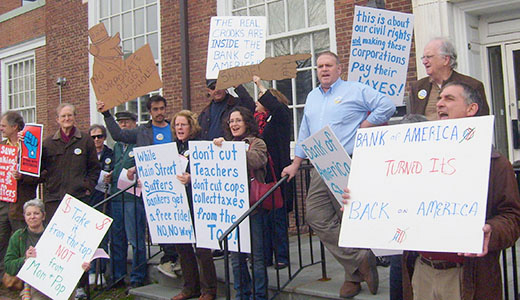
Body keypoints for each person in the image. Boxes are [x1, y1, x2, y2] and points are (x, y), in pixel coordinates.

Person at [281, 51, 396, 298]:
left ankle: (352, 278)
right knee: (315, 215)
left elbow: (386, 105)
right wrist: (295, 163)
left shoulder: (354, 90)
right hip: (321, 163)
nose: (323, 69)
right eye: (320, 66)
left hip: (350, 161)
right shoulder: (312, 97)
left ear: (339, 68)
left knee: (349, 219)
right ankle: (360, 259)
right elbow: (304, 132)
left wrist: (367, 124)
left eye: (328, 65)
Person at [401, 82, 520, 300]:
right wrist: (360, 200)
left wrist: (492, 231)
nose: (440, 104)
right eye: (439, 99)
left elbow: (512, 217)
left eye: (449, 99)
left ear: (471, 109)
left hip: (466, 275)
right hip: (422, 271)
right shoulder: (418, 158)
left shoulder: (496, 164)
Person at [98, 96, 180, 279]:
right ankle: (168, 258)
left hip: (175, 183)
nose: (159, 113)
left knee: (176, 222)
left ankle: (176, 257)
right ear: (149, 112)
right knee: (158, 224)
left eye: (162, 108)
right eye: (155, 109)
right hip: (151, 187)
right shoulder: (142, 131)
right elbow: (118, 135)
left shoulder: (174, 128)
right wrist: (106, 114)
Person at [213, 106, 268, 300]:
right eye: (231, 121)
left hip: (252, 208)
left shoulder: (257, 143)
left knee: (257, 257)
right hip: (232, 208)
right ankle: (242, 294)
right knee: (236, 258)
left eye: (238, 120)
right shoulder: (223, 144)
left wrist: (230, 149)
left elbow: (257, 161)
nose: (234, 124)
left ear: (246, 122)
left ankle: (259, 295)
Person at [170, 110, 217, 300]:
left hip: (198, 203)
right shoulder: (172, 148)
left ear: (191, 126)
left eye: (183, 124)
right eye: (177, 125)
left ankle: (209, 290)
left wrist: (193, 177)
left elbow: (210, 172)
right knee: (182, 247)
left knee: (202, 248)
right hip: (178, 205)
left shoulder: (200, 146)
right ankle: (190, 287)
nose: (180, 128)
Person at [4, 199, 91, 300]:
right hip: (34, 285)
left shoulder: (57, 234)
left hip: (60, 283)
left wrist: (81, 266)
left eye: (36, 213)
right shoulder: (18, 236)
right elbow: (8, 266)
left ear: (43, 216)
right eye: (28, 214)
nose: (32, 217)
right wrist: (25, 259)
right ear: (24, 217)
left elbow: (70, 258)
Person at [252, 76, 291, 270]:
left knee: (277, 218)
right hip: (264, 177)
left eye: (260, 98)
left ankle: (281, 256)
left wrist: (261, 84)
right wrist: (236, 85)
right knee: (264, 220)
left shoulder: (280, 117)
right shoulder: (259, 122)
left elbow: (277, 108)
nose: (256, 102)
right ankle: (266, 256)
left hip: (279, 176)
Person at [107, 111, 147, 289]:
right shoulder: (117, 146)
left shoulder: (140, 141)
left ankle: (138, 276)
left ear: (134, 123)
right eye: (120, 123)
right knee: (117, 238)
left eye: (126, 122)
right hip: (116, 195)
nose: (123, 125)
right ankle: (118, 275)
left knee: (135, 238)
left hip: (133, 196)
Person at [41, 103, 100, 220]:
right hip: (54, 199)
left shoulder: (85, 140)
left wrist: (88, 187)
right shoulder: (48, 143)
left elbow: (94, 168)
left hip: (79, 198)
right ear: (57, 119)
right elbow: (40, 168)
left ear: (74, 118)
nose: (66, 119)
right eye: (63, 116)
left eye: (70, 115)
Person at [409, 37, 490, 120]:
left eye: (429, 57)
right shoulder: (418, 87)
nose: (424, 62)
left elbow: (482, 122)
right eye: (423, 58)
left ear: (446, 60)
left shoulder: (472, 85)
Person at [0, 112, 39, 278]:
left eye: (3, 125)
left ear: (14, 127)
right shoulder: (2, 146)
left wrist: (23, 176)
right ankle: (4, 276)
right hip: (3, 201)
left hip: (21, 202)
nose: (1, 128)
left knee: (20, 239)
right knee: (2, 240)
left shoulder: (29, 146)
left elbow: (38, 175)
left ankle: (23, 278)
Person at [88, 124, 113, 286]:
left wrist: (111, 177)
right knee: (89, 238)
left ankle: (102, 272)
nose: (97, 140)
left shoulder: (111, 154)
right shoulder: (86, 155)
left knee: (103, 238)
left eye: (100, 136)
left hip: (105, 198)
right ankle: (90, 272)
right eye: (93, 137)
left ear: (104, 137)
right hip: (89, 199)